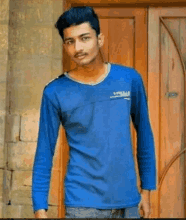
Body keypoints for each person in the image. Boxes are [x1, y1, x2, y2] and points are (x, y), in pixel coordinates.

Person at [32, 6, 157, 219]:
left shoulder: (129, 80)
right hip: (82, 205)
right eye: (70, 41)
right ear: (64, 46)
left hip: (128, 202)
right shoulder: (55, 92)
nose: (77, 48)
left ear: (100, 39)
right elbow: (45, 151)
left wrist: (146, 191)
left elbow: (144, 135)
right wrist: (40, 208)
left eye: (84, 38)